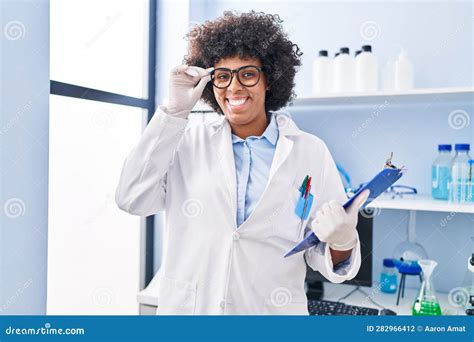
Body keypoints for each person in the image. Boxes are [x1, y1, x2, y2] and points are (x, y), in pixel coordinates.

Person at [115, 11, 369, 315]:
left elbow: (321, 253)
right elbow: (132, 198)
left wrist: (342, 239)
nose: (234, 88)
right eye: (223, 76)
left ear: (270, 80)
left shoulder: (310, 152)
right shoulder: (186, 142)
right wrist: (172, 113)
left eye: (247, 74)